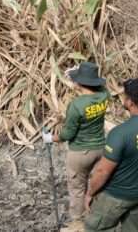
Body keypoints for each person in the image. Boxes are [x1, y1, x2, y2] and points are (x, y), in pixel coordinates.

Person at [84, 78, 138, 232]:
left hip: (117, 196)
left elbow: (102, 171)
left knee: (94, 227)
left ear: (130, 102)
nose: (123, 99)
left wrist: (90, 193)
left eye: (124, 96)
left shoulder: (120, 133)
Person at [42, 62, 110, 229]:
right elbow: (102, 87)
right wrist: (75, 74)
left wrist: (50, 138)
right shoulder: (104, 96)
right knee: (98, 183)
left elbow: (67, 135)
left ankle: (78, 222)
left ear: (79, 83)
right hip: (101, 148)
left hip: (80, 153)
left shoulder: (76, 105)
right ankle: (96, 215)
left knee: (77, 188)